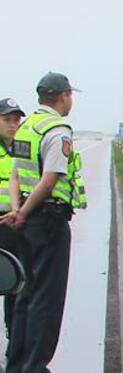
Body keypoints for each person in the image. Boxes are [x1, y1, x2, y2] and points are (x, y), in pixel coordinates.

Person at [0, 72, 87, 373]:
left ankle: (18, 368)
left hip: (26, 220)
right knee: (46, 298)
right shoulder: (56, 130)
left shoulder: (26, 127)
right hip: (47, 219)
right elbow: (49, 179)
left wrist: (16, 209)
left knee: (25, 294)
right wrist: (24, 211)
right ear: (63, 96)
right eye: (70, 95)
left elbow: (14, 174)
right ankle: (36, 372)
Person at [0, 98, 25, 340]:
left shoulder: (24, 148)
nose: (13, 124)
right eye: (7, 119)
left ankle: (13, 335)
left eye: (16, 120)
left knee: (13, 282)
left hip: (14, 224)